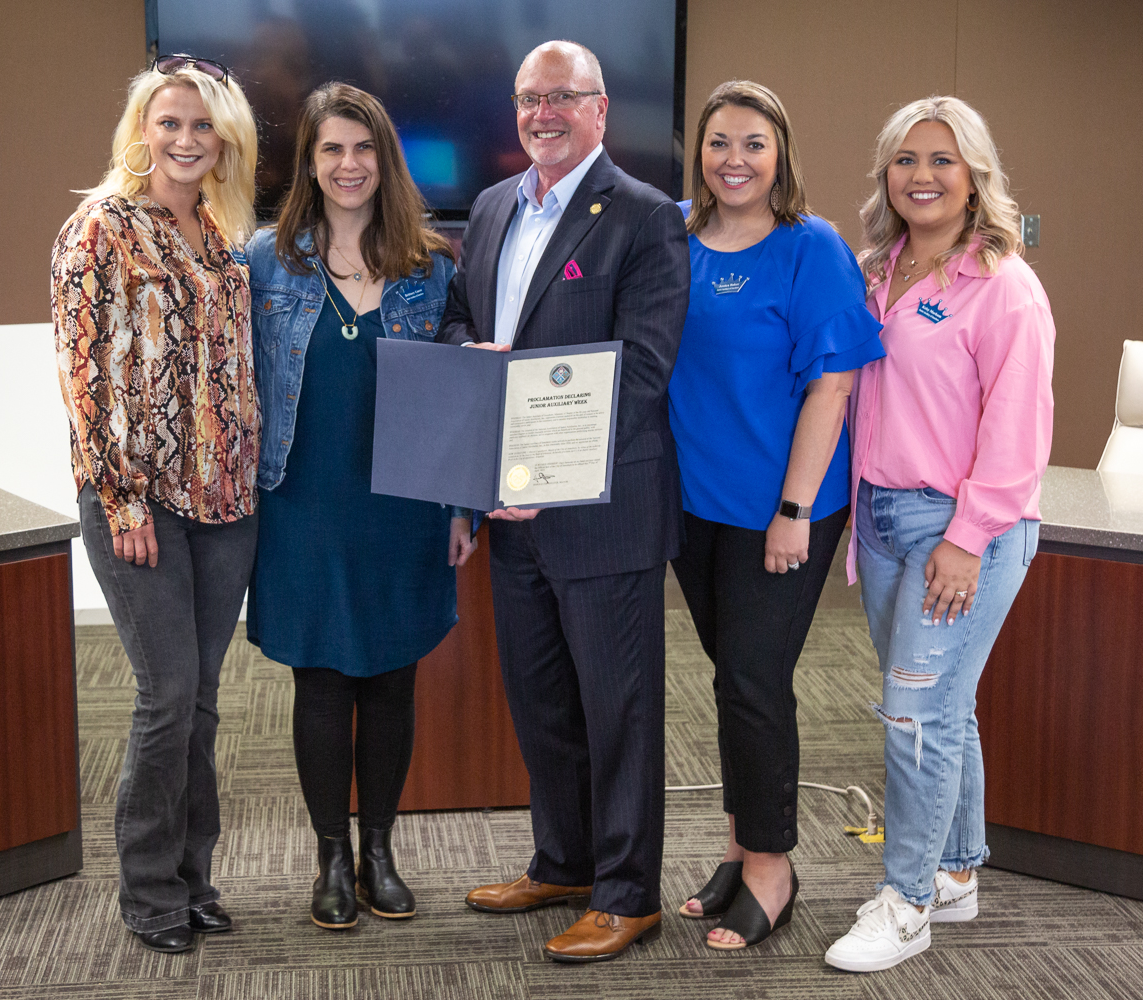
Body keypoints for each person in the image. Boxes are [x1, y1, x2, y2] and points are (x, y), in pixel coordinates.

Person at [439, 40, 690, 963]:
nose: (542, 114)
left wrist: (542, 466)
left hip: (600, 513)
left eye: (562, 98)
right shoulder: (497, 206)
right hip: (511, 516)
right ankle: (565, 860)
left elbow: (642, 372)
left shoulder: (646, 217)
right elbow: (467, 320)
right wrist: (471, 360)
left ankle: (629, 893)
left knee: (617, 708)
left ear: (600, 109)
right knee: (543, 701)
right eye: (528, 100)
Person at [823, 95, 1054, 973]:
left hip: (962, 529)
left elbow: (1019, 427)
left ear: (975, 178)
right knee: (939, 709)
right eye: (906, 160)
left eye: (942, 161)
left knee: (913, 717)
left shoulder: (1003, 286)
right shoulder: (875, 268)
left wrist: (970, 535)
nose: (922, 176)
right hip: (881, 519)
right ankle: (956, 872)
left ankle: (907, 900)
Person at [243, 82, 476, 931]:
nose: (349, 165)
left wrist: (461, 508)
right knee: (323, 677)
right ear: (309, 160)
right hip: (303, 502)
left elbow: (458, 402)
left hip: (404, 506)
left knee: (391, 677)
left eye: (364, 148)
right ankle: (330, 856)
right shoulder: (262, 260)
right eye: (332, 149)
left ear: (387, 159)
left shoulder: (432, 265)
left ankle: (379, 849)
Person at [667, 81, 885, 950]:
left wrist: (794, 510)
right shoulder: (677, 235)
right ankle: (739, 843)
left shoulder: (812, 248)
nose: (734, 161)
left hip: (783, 508)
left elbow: (833, 385)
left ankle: (772, 868)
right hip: (696, 503)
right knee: (733, 679)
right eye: (720, 143)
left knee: (754, 681)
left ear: (780, 154)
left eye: (753, 144)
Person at [51, 55, 260, 954]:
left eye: (203, 126)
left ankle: (193, 877)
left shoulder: (219, 233)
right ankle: (146, 893)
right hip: (139, 505)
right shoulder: (97, 229)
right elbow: (83, 377)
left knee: (205, 699)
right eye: (168, 123)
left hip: (225, 503)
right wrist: (120, 496)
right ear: (141, 130)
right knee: (165, 694)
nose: (184, 139)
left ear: (226, 140)